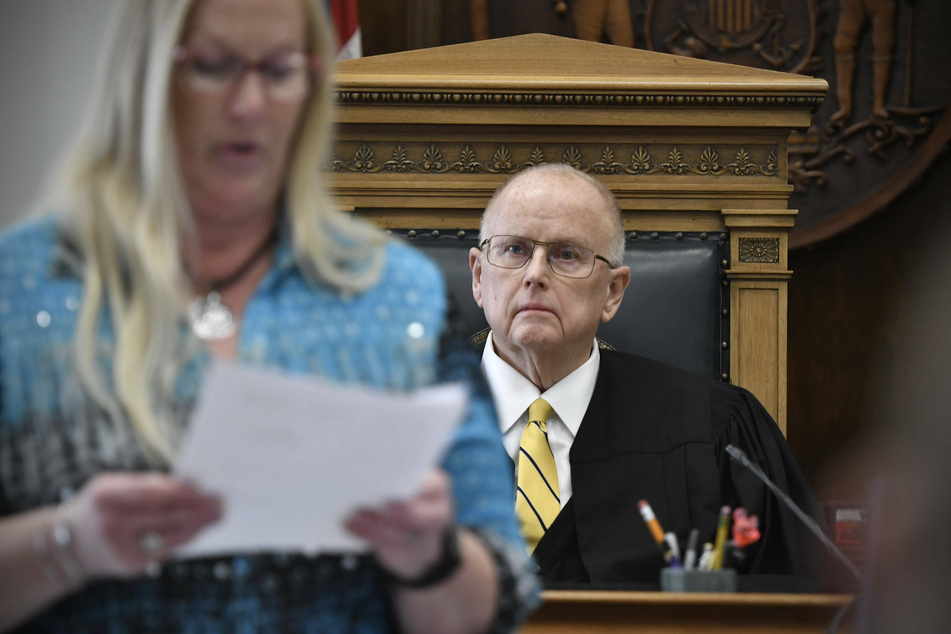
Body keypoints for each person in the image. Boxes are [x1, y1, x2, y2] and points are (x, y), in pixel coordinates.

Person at [0, 0, 538, 632]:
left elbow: (493, 600)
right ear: (146, 77)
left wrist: (426, 555)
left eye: (281, 70)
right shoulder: (22, 288)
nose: (249, 104)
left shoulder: (400, 296)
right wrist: (70, 545)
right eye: (213, 66)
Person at [468, 163, 825, 589]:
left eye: (567, 254)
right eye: (514, 250)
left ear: (612, 293)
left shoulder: (717, 430)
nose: (535, 275)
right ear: (478, 276)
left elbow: (794, 600)